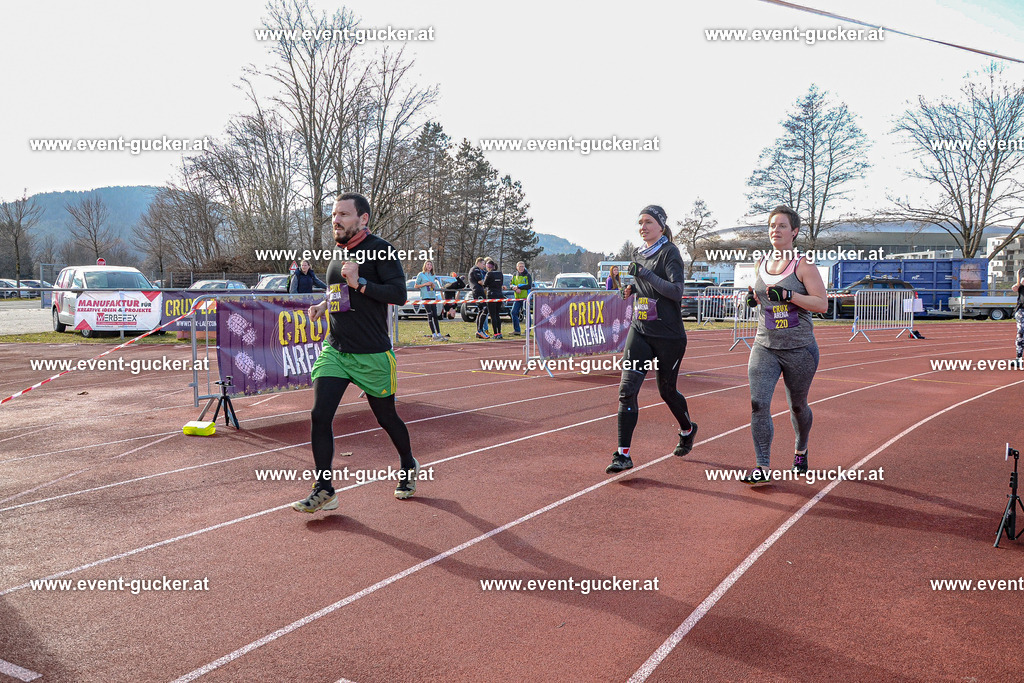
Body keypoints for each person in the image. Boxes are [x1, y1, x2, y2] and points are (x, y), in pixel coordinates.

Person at [293, 192, 419, 513]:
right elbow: (338, 292)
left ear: (363, 219)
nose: (336, 221)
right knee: (320, 415)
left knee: (386, 418)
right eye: (334, 215)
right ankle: (324, 488)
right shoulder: (338, 253)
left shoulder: (381, 250)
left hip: (372, 353)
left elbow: (399, 295)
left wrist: (360, 282)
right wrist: (323, 305)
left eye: (343, 215)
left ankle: (408, 463)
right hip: (336, 350)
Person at [606, 205, 698, 474]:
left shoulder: (670, 252)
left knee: (666, 391)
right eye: (640, 223)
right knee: (626, 391)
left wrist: (644, 274)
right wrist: (631, 288)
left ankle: (687, 429)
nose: (642, 227)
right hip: (641, 330)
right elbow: (643, 286)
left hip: (669, 336)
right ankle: (623, 455)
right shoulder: (638, 253)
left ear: (661, 225)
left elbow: (676, 292)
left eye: (648, 222)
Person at [741, 205, 828, 486]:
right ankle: (762, 466)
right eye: (772, 226)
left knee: (798, 406)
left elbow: (822, 304)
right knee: (758, 404)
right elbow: (762, 297)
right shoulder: (761, 262)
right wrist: (753, 299)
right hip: (765, 345)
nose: (775, 231)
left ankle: (801, 449)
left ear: (794, 232)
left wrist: (790, 295)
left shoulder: (804, 265)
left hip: (799, 349)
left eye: (781, 226)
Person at [415, 260, 445, 341]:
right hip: (425, 296)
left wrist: (433, 285)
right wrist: (425, 284)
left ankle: (439, 333)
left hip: (432, 296)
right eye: (428, 264)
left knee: (435, 315)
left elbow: (434, 286)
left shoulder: (433, 275)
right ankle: (433, 333)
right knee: (430, 314)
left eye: (430, 265)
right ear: (425, 265)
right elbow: (416, 286)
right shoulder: (421, 274)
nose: (429, 266)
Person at [483, 258, 504, 339]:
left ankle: (495, 333)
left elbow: (485, 284)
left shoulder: (489, 274)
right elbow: (501, 283)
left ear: (489, 267)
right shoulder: (500, 273)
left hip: (491, 295)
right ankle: (499, 332)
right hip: (499, 295)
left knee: (493, 315)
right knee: (497, 314)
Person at [469, 257, 489, 339]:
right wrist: (488, 285)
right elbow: (480, 281)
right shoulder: (476, 269)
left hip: (479, 291)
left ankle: (479, 331)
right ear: (478, 263)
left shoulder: (477, 270)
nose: (484, 266)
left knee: (481, 310)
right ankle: (480, 330)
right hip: (478, 291)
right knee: (485, 309)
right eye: (483, 264)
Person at [509, 261, 532, 336]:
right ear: (517, 267)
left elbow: (529, 286)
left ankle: (527, 330)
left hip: (525, 298)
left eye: (522, 266)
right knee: (513, 312)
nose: (521, 268)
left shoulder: (527, 275)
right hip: (517, 298)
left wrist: (519, 287)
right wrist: (514, 288)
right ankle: (517, 330)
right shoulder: (514, 275)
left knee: (526, 314)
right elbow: (511, 284)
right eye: (520, 266)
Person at [1013, 267, 1024, 362]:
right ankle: (1018, 358)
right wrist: (1016, 286)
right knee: (1021, 331)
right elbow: (1022, 281)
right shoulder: (1022, 270)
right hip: (1022, 308)